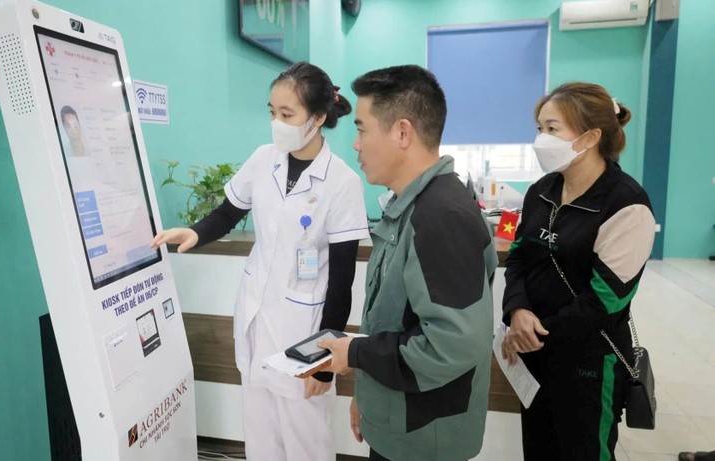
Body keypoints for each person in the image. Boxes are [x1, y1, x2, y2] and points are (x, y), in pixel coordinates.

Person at [150, 61, 369, 461]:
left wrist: (323, 361)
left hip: (304, 336)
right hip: (255, 321)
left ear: (318, 117)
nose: (276, 123)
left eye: (287, 114)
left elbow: (341, 281)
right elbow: (227, 213)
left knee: (306, 443)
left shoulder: (342, 183)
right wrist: (194, 233)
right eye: (272, 112)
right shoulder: (264, 159)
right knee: (261, 440)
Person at [318, 65, 498, 461]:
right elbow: (389, 317)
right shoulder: (410, 206)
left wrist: (355, 354)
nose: (355, 145)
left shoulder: (441, 217)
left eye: (362, 130)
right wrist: (367, 394)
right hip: (397, 414)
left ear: (402, 133)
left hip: (422, 434)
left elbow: (449, 345)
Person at [500, 82, 656, 461]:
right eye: (539, 128)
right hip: (534, 357)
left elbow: (605, 301)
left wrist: (531, 334)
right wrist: (517, 311)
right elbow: (518, 257)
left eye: (552, 129)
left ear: (590, 137)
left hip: (589, 365)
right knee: (539, 450)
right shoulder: (541, 190)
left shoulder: (626, 203)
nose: (541, 139)